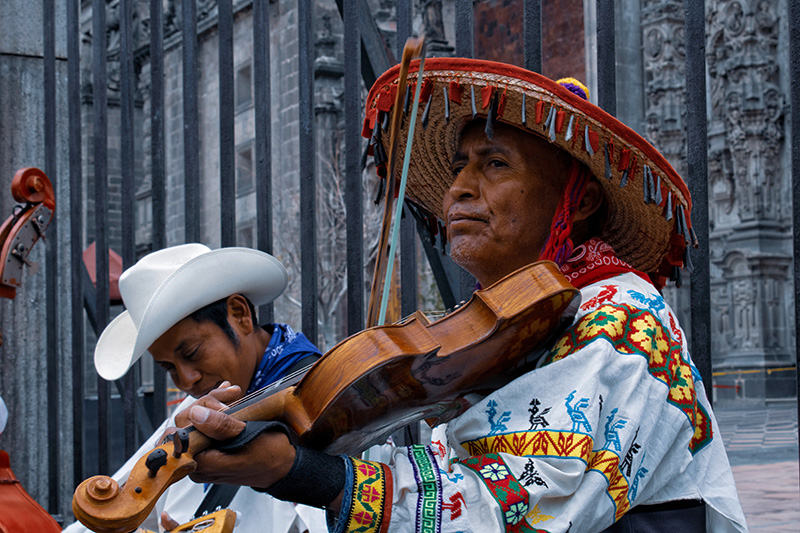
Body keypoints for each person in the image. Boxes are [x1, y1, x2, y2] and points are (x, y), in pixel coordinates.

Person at [167, 60, 747, 532]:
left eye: (495, 164)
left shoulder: (623, 321)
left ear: (583, 199)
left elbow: (516, 512)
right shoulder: (511, 329)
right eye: (458, 166)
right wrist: (275, 440)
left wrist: (305, 474)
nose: (460, 189)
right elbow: (446, 475)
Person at [64, 243, 327, 533]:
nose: (186, 381)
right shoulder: (192, 415)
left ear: (239, 314)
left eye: (192, 353)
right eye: (169, 368)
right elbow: (120, 507)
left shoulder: (327, 403)